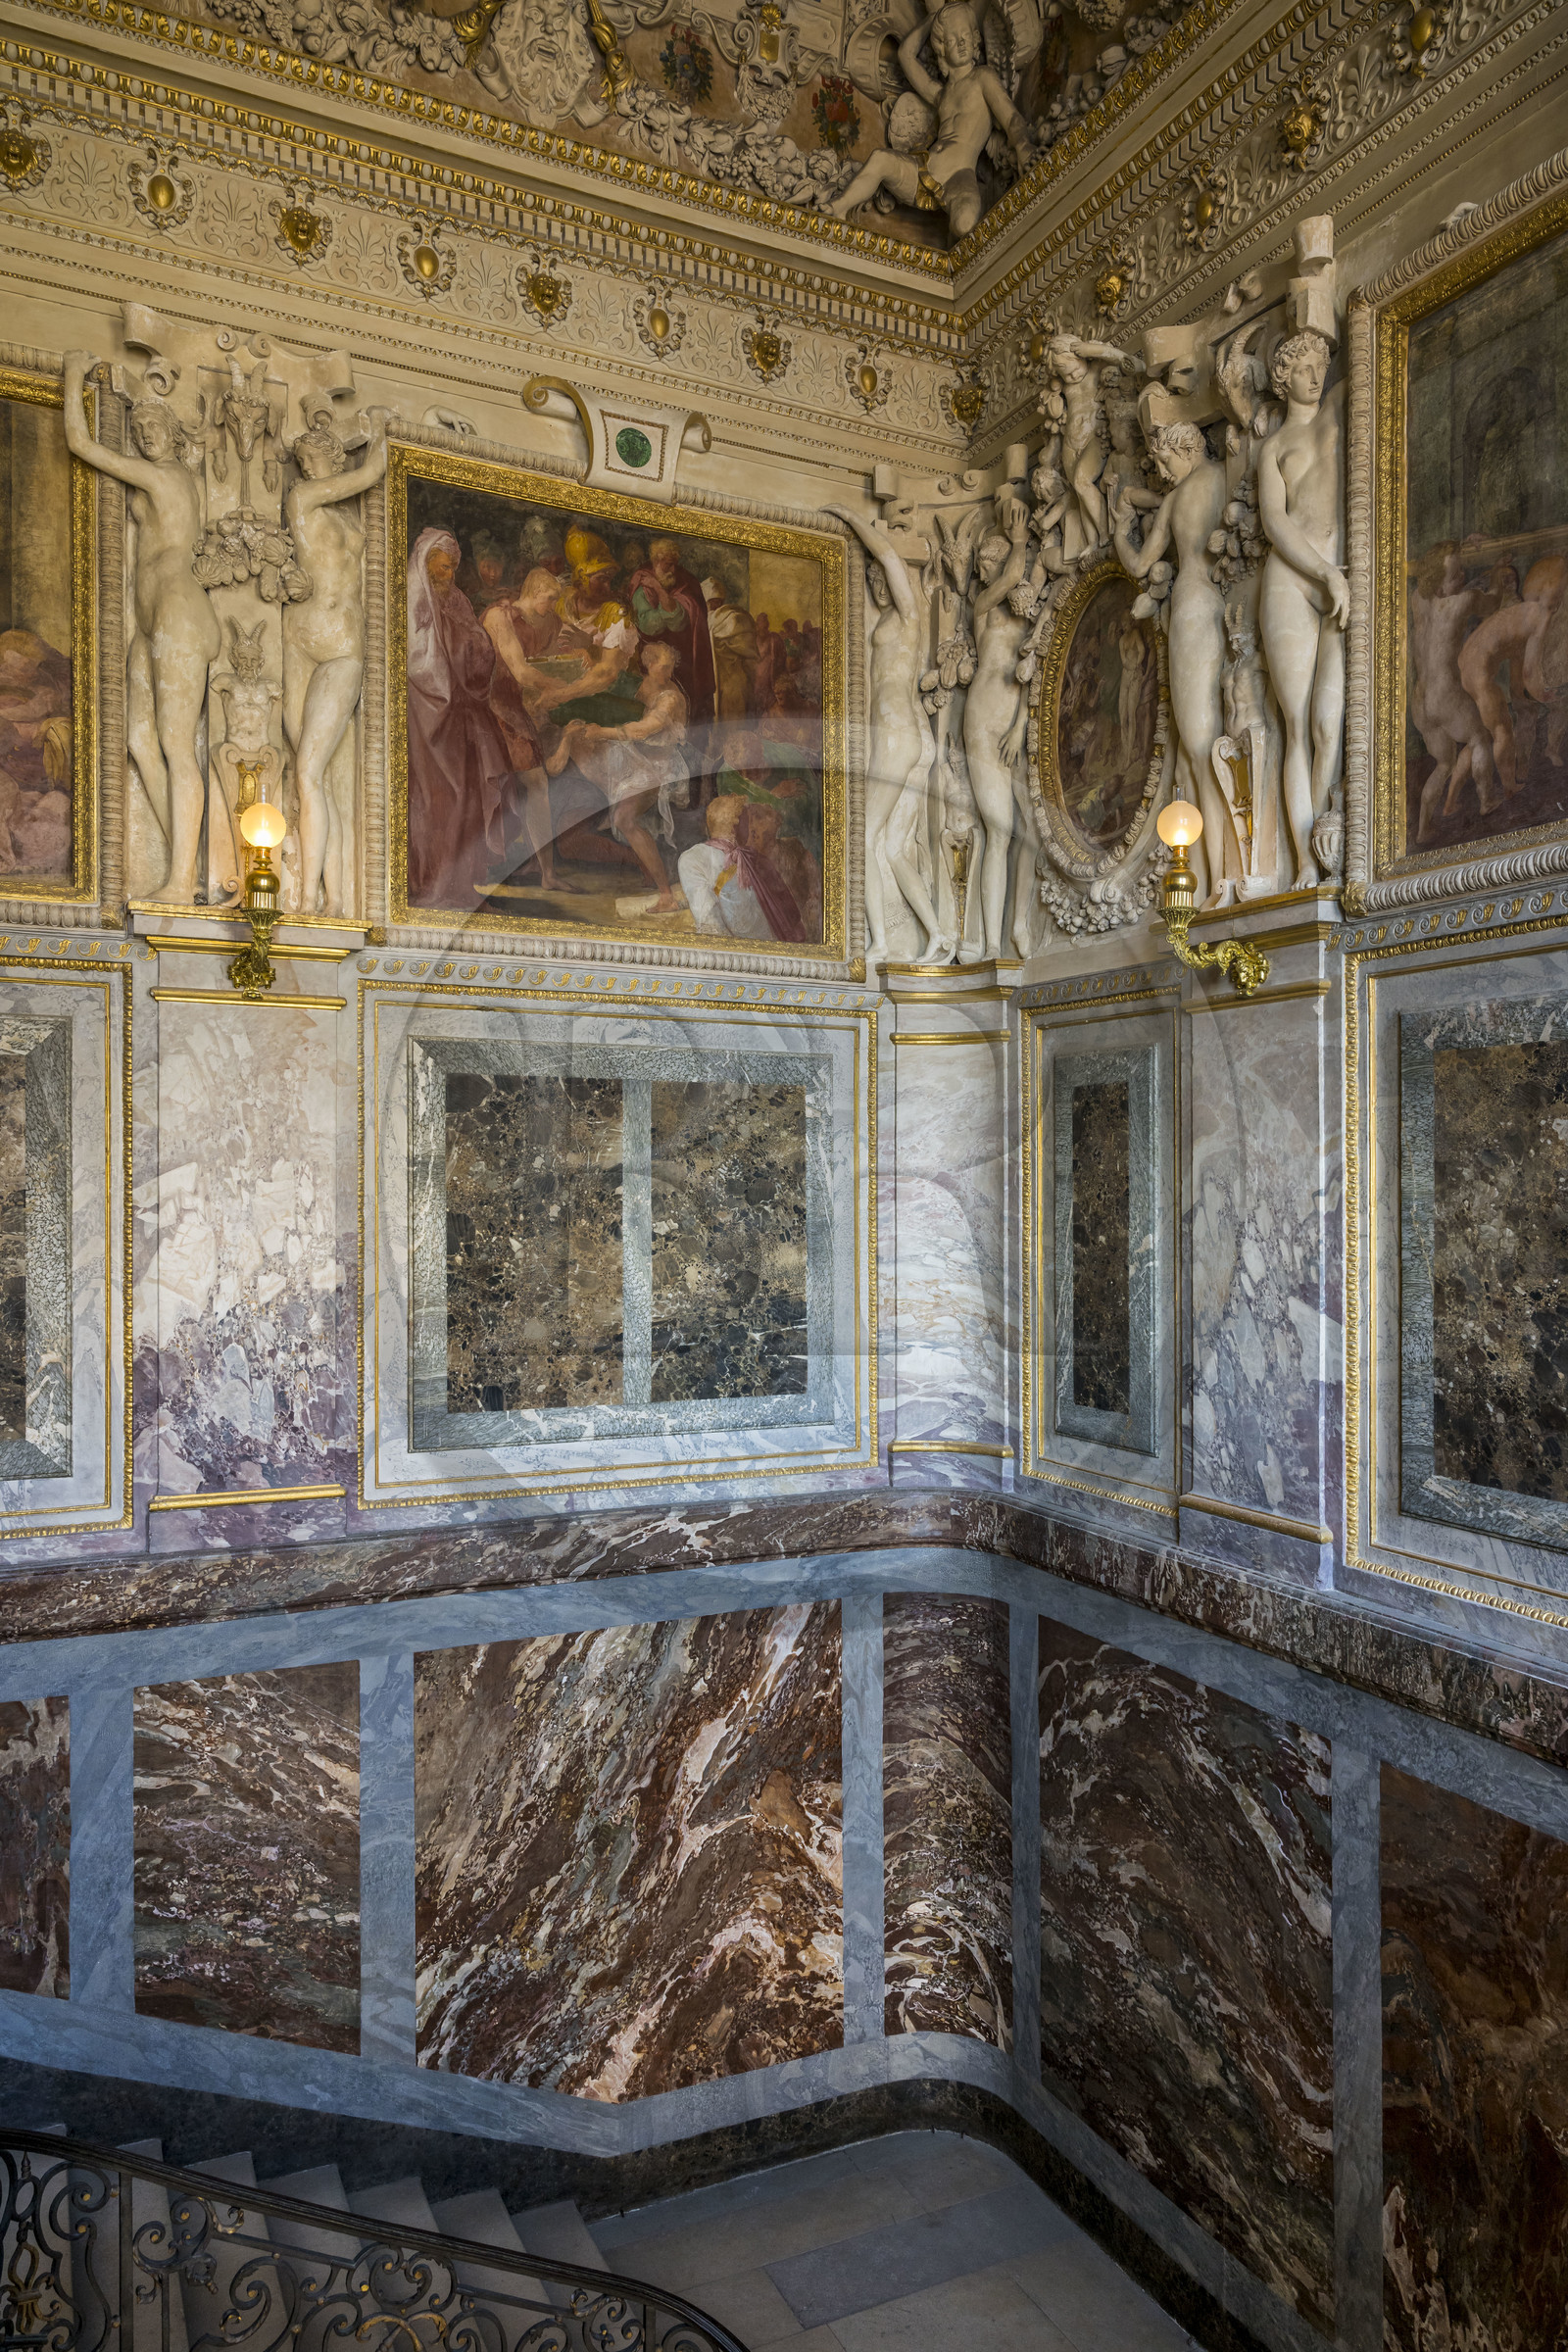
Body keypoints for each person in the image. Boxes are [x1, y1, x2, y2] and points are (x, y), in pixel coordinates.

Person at [63, 355, 220, 903]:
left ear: (175, 437)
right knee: (137, 738)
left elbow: (83, 446)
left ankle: (180, 881)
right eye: (141, 429)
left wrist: (71, 377)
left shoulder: (168, 476)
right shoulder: (159, 475)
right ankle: (191, 864)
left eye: (156, 428)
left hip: (180, 612)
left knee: (178, 744)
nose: (147, 436)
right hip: (153, 620)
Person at [283, 396, 388, 916]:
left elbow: (371, 470)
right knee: (308, 776)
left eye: (314, 460)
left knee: (309, 772)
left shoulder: (357, 522)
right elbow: (373, 468)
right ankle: (327, 892)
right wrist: (380, 428)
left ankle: (317, 899)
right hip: (297, 639)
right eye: (302, 463)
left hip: (342, 645)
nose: (305, 470)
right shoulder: (302, 499)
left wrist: (379, 426)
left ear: (333, 459)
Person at [1257, 328, 1348, 889]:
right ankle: (1303, 866)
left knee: (1329, 724)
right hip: (1292, 580)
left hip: (1341, 575)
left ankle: (1326, 845)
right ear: (1282, 376)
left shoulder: (1339, 407)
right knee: (1295, 724)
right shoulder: (1273, 449)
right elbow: (1274, 523)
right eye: (1304, 365)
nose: (1316, 374)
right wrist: (1323, 574)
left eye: (1320, 363)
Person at [827, 2, 1032, 240]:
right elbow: (905, 55)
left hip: (960, 176)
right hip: (926, 166)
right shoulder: (940, 94)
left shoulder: (983, 78)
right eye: (953, 39)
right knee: (881, 159)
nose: (962, 42)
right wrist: (931, 18)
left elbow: (1011, 117)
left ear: (976, 38)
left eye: (965, 35)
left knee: (965, 225)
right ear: (942, 48)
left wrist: (1023, 146)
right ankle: (838, 208)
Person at [406, 525, 516, 907]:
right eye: (441, 567)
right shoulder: (415, 600)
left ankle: (464, 884)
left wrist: (476, 644)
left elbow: (478, 649)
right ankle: (435, 886)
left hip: (464, 716)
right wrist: (461, 640)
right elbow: (420, 661)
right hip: (429, 718)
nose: (447, 575)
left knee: (471, 796)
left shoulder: (457, 600)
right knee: (440, 801)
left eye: (452, 568)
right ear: (424, 564)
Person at [547, 639, 689, 910]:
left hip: (660, 768)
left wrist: (603, 732)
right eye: (663, 667)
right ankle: (599, 807)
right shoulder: (643, 685)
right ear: (648, 665)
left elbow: (643, 730)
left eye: (670, 668)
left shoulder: (670, 697)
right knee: (582, 742)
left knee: (624, 818)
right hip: (639, 758)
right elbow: (605, 680)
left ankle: (666, 896)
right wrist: (585, 657)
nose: (668, 674)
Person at [678, 793, 806, 940]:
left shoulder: (755, 860)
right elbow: (710, 924)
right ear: (735, 825)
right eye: (749, 823)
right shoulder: (694, 858)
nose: (754, 832)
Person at [626, 535, 716, 724]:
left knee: (684, 713)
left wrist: (659, 590)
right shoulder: (641, 582)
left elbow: (678, 622)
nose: (673, 570)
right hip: (651, 664)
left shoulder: (687, 583)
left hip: (686, 661)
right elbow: (650, 626)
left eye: (675, 564)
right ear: (656, 562)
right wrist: (670, 609)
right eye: (668, 564)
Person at [704, 577, 760, 724]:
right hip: (732, 682)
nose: (715, 604)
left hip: (729, 683)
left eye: (716, 601)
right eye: (713, 601)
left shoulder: (712, 620)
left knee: (731, 726)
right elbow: (750, 652)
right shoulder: (739, 616)